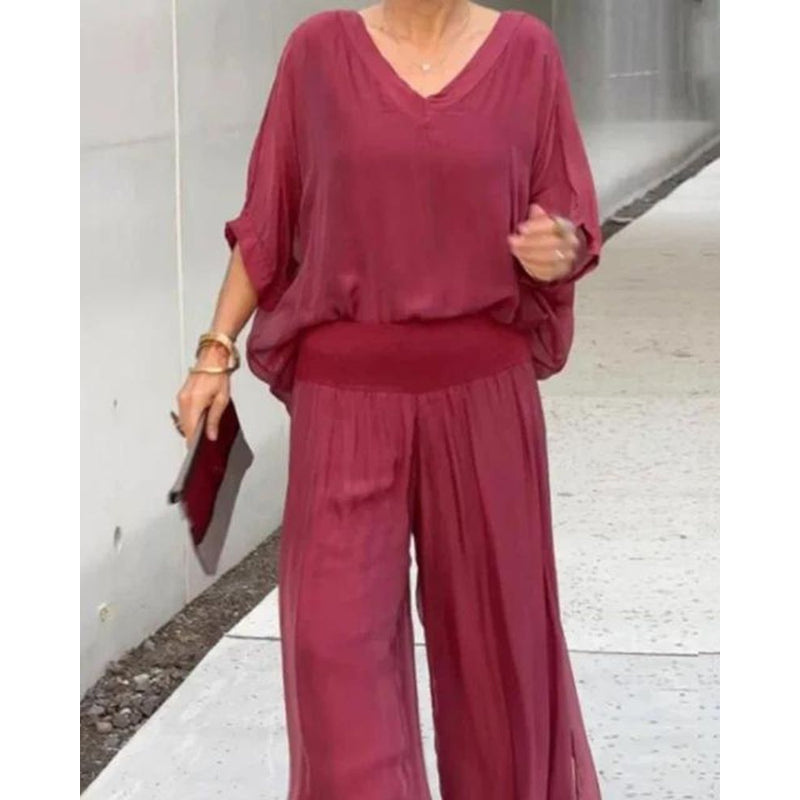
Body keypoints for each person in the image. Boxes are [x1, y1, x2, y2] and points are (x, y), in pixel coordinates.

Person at [175, 2, 603, 798]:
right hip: (346, 405)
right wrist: (214, 353)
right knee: (334, 662)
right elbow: (268, 220)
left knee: (501, 667)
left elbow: (569, 211)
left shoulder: (527, 53)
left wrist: (562, 248)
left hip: (484, 400)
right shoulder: (317, 53)